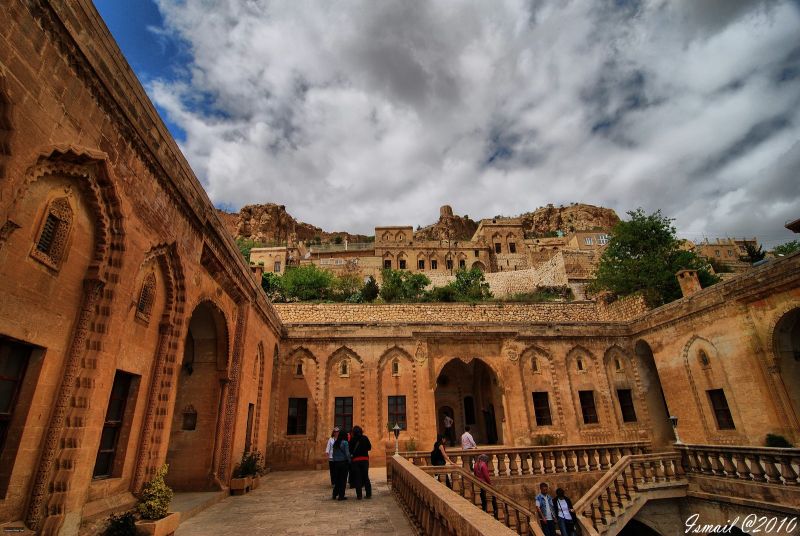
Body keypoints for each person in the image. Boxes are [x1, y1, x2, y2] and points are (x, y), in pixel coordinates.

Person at [349, 425, 372, 500]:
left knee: (357, 478)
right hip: (365, 460)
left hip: (356, 461)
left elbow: (350, 450)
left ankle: (359, 496)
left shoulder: (352, 440)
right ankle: (368, 494)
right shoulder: (365, 438)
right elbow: (369, 447)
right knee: (365, 477)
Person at [473, 454, 498, 518]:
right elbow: (486, 476)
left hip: (479, 484)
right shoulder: (483, 465)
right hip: (485, 484)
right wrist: (490, 484)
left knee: (483, 499)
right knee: (492, 498)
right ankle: (495, 512)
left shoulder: (475, 464)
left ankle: (484, 510)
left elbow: (475, 474)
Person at [331, 428, 351, 500]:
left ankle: (334, 494)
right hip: (343, 463)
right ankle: (341, 496)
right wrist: (349, 461)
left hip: (336, 463)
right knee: (343, 480)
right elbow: (347, 453)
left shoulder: (335, 443)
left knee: (338, 479)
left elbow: (333, 454)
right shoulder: (345, 443)